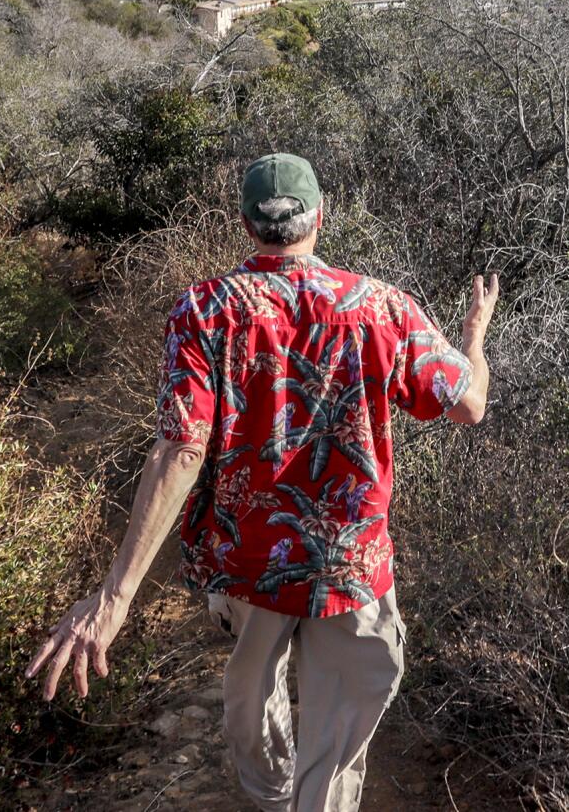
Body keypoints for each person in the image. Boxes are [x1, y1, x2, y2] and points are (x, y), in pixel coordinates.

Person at [27, 152, 496, 812]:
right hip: (350, 571)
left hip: (248, 565)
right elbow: (468, 402)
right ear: (320, 218)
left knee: (259, 719)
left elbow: (180, 451)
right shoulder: (380, 307)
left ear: (246, 224)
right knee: (331, 767)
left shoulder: (205, 310)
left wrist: (116, 594)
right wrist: (473, 338)